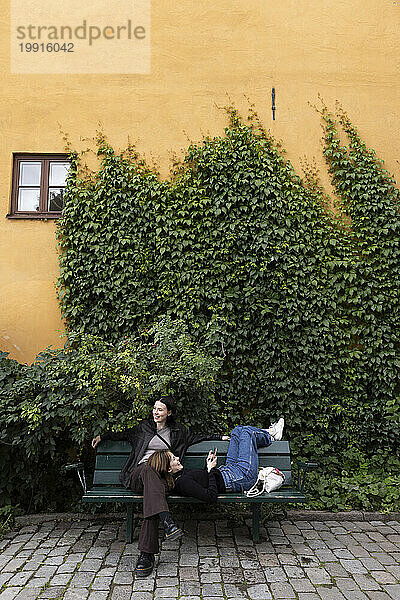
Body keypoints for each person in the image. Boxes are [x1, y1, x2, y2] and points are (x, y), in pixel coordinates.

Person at [91, 396, 226, 578]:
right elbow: (121, 434)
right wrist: (102, 437)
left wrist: (220, 437)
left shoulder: (178, 432)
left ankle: (147, 556)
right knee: (148, 470)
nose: (156, 412)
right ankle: (166, 521)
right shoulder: (143, 429)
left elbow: (197, 437)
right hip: (139, 475)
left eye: (160, 410)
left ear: (169, 413)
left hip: (164, 479)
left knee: (153, 495)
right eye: (154, 409)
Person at [148, 419, 285, 504]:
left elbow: (202, 479)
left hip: (229, 471)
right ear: (169, 469)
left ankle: (270, 433)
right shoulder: (181, 483)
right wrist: (210, 469)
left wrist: (208, 464)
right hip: (241, 477)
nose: (177, 458)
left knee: (237, 431)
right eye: (173, 459)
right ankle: (271, 433)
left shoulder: (179, 475)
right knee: (246, 433)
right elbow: (211, 496)